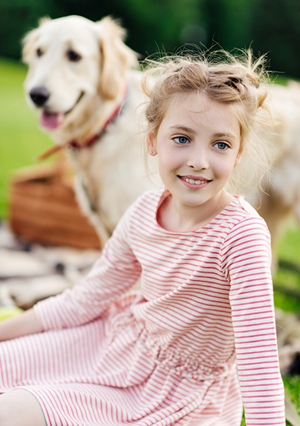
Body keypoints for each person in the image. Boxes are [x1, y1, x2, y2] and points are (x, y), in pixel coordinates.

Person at [0, 50, 285, 426]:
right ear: (153, 141)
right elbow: (83, 300)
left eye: (220, 144)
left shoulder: (241, 235)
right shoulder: (144, 211)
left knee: (13, 411)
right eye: (182, 138)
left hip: (173, 393)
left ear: (238, 152)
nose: (199, 159)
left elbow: (258, 355)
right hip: (117, 344)